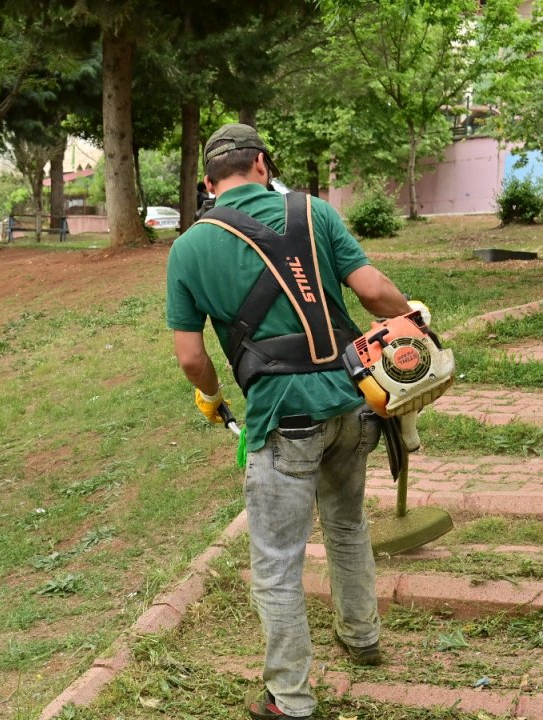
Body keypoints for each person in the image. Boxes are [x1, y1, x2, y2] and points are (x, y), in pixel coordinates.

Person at [166, 123, 414, 720]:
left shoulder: (189, 248)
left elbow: (190, 356)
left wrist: (210, 397)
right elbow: (374, 290)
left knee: (277, 562)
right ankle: (363, 638)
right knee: (348, 526)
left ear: (208, 183)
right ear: (261, 164)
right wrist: (415, 332)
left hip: (282, 419)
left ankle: (291, 700)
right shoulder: (314, 213)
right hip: (354, 405)